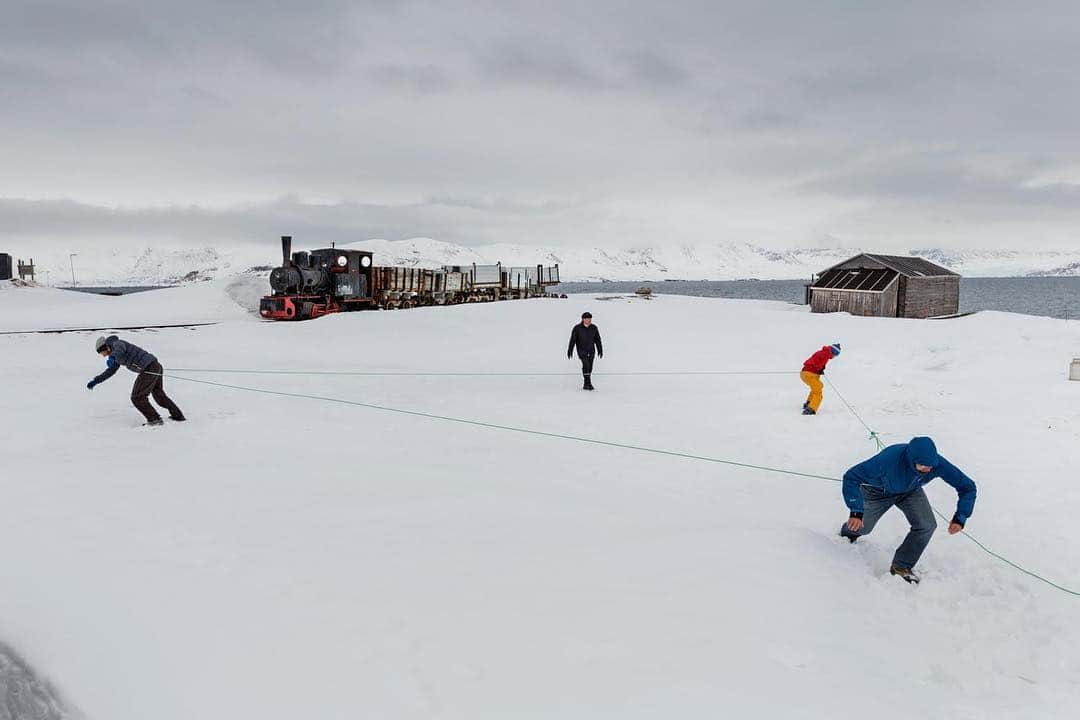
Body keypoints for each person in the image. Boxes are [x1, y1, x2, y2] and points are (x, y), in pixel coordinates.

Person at [840, 436, 977, 584]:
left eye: (930, 466)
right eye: (923, 466)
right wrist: (855, 512)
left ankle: (901, 567)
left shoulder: (936, 463)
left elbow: (967, 487)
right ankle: (847, 533)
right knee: (863, 527)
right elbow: (851, 477)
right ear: (911, 460)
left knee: (927, 525)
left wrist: (961, 516)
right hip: (877, 492)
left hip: (910, 491)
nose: (928, 469)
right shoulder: (888, 460)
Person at [87, 335, 186, 426]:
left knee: (137, 397)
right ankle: (177, 416)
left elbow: (121, 348)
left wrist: (112, 356)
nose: (103, 356)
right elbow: (110, 371)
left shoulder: (116, 343)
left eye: (102, 353)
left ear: (104, 347)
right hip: (154, 366)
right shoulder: (115, 355)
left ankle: (154, 420)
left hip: (149, 368)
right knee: (158, 394)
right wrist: (96, 381)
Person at [800, 343, 841, 415]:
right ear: (833, 352)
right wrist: (820, 369)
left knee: (818, 386)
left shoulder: (822, 352)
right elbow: (818, 364)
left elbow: (814, 361)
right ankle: (811, 409)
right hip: (810, 374)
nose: (835, 357)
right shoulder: (826, 354)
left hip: (804, 373)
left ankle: (809, 403)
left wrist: (820, 369)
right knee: (818, 392)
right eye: (836, 355)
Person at [567, 311, 603, 390]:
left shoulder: (594, 328)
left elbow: (597, 339)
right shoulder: (577, 328)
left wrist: (600, 349)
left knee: (590, 367)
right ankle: (587, 383)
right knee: (586, 365)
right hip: (581, 351)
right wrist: (570, 350)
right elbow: (573, 340)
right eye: (587, 319)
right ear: (583, 319)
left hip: (591, 351)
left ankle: (587, 383)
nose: (588, 320)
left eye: (590, 319)